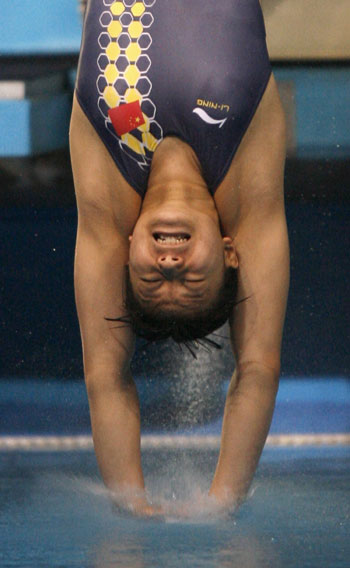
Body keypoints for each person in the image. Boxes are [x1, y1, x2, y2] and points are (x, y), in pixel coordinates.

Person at [70, 0, 289, 516]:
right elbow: (258, 366)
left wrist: (132, 506)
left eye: (150, 281)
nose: (169, 269)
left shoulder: (108, 187)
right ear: (232, 253)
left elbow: (104, 373)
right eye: (191, 283)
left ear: (126, 254)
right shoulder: (246, 183)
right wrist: (221, 502)